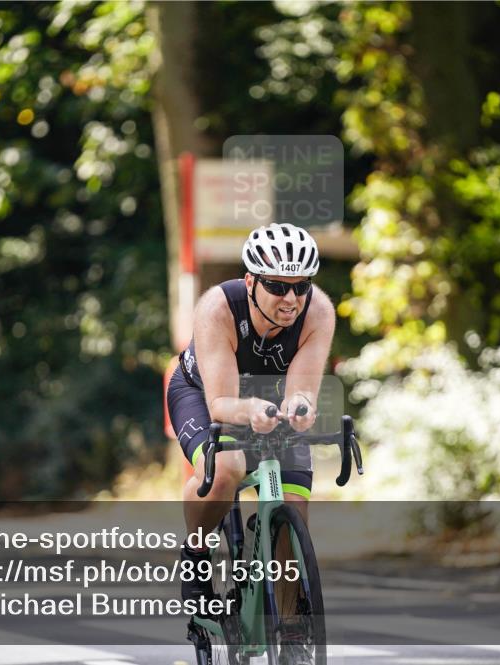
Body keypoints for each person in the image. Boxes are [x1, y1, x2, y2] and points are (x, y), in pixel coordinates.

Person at [167, 222, 334, 663]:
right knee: (227, 468)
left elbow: (302, 390)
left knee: (293, 504)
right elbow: (221, 403)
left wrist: (300, 407)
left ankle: (292, 630)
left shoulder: (318, 312)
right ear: (250, 282)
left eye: (300, 287)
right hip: (204, 394)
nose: (290, 299)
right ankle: (196, 553)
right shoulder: (218, 309)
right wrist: (250, 410)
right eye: (277, 286)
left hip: (270, 402)